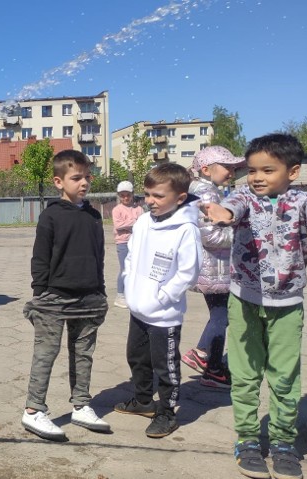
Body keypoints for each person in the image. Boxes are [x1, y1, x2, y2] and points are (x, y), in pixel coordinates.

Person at [202, 134, 307, 479]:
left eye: (268, 170)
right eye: (252, 170)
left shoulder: (301, 201)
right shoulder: (244, 195)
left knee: (284, 376)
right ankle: (247, 439)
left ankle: (282, 443)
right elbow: (234, 206)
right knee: (246, 374)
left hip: (287, 304)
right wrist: (224, 212)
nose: (257, 177)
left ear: (292, 171)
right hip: (244, 300)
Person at [20, 150, 110, 441]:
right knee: (46, 353)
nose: (83, 182)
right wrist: (40, 294)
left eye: (87, 177)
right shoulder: (51, 216)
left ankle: (81, 405)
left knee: (83, 354)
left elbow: (99, 256)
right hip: (55, 299)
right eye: (76, 178)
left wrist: (100, 290)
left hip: (89, 298)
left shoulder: (95, 216)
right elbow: (40, 259)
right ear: (59, 182)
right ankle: (34, 410)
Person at [114, 163, 202, 439]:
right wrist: (129, 284)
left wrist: (163, 297)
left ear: (180, 198)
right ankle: (143, 401)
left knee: (166, 366)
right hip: (138, 309)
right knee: (136, 357)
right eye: (148, 194)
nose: (150, 201)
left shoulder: (186, 229)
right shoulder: (143, 221)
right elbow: (130, 256)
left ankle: (166, 412)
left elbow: (189, 271)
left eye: (158, 196)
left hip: (164, 314)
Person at [180, 146, 244, 390]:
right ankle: (208, 361)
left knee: (220, 314)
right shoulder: (207, 193)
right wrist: (239, 232)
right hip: (213, 267)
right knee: (222, 315)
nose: (231, 171)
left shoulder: (202, 190)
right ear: (206, 170)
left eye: (233, 167)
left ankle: (208, 361)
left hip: (211, 267)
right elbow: (212, 236)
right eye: (226, 167)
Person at [111, 180, 142, 309]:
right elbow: (118, 226)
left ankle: (132, 294)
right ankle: (120, 295)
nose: (125, 198)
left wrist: (130, 223)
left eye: (128, 195)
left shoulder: (138, 209)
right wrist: (133, 222)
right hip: (123, 243)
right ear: (119, 196)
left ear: (132, 194)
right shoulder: (117, 210)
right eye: (122, 195)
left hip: (136, 242)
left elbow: (142, 224)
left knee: (135, 269)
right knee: (125, 269)